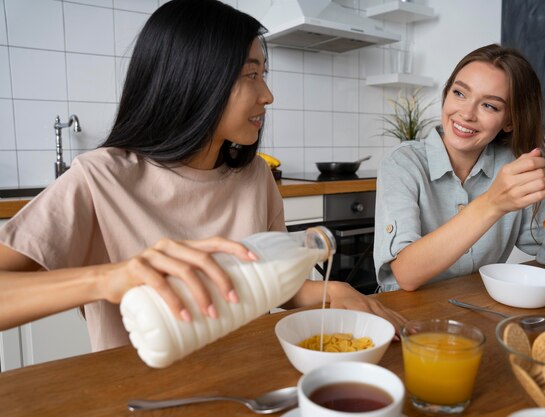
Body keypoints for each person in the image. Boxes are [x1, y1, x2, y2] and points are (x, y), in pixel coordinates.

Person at [0, 0, 404, 352]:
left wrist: (334, 290)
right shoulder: (99, 178)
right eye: (251, 75)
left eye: (264, 74)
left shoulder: (256, 176)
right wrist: (109, 278)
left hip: (243, 378)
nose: (268, 95)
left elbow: (277, 285)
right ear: (196, 80)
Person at [374, 44, 545, 292]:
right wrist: (493, 203)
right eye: (459, 93)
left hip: (473, 312)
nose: (467, 113)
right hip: (401, 316)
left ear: (509, 121)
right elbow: (406, 274)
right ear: (446, 94)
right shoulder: (402, 162)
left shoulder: (513, 168)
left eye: (489, 105)